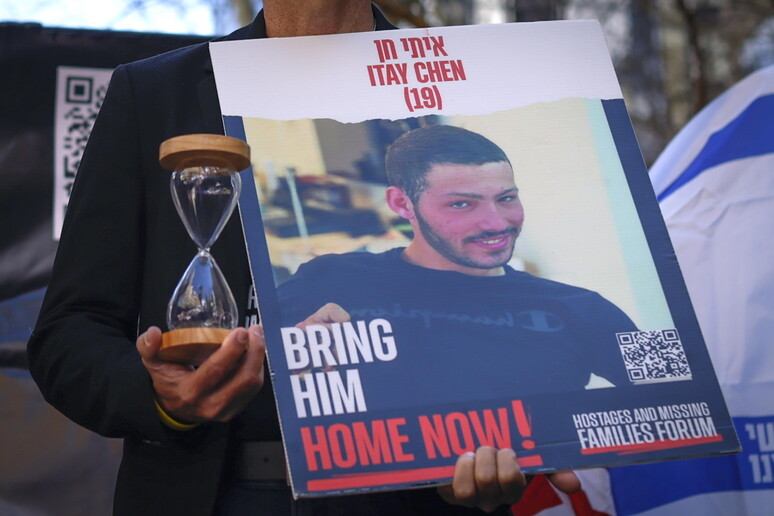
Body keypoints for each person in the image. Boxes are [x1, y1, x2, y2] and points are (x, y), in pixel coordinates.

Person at [27, 2, 578, 515]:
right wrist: (162, 398)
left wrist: (513, 437)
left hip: (411, 498)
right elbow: (69, 333)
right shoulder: (153, 93)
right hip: (209, 493)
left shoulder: (467, 83)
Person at [279, 125, 637, 407]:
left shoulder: (585, 309)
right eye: (462, 204)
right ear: (402, 203)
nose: (496, 223)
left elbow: (670, 395)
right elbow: (250, 379)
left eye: (506, 198)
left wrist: (589, 460)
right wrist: (290, 351)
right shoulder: (328, 279)